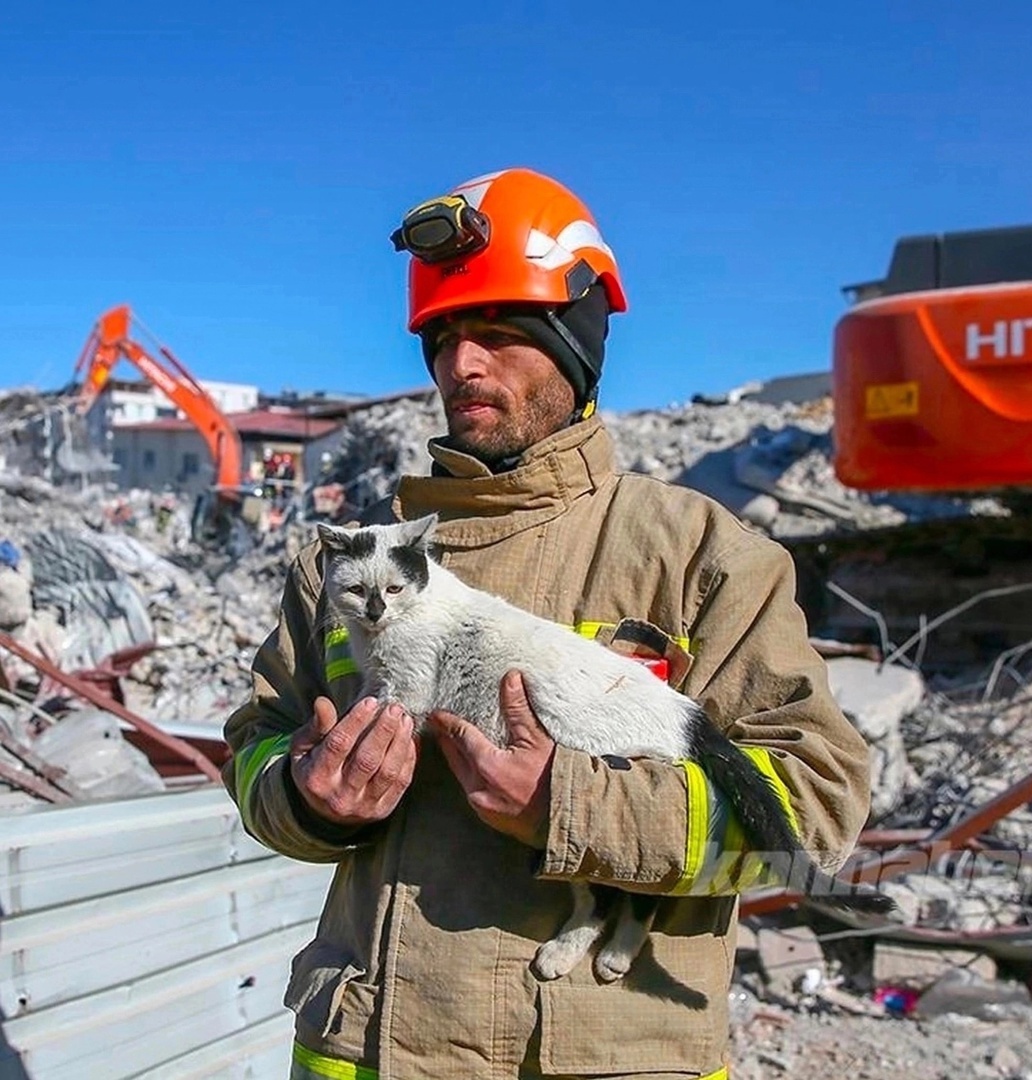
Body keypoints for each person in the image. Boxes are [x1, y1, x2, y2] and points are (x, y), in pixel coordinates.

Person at [223, 168, 872, 1080]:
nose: (461, 365)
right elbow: (255, 747)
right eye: (443, 338)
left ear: (576, 345)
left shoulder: (703, 557)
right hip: (364, 1050)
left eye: (498, 332)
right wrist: (304, 796)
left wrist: (572, 807)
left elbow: (814, 808)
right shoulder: (345, 566)